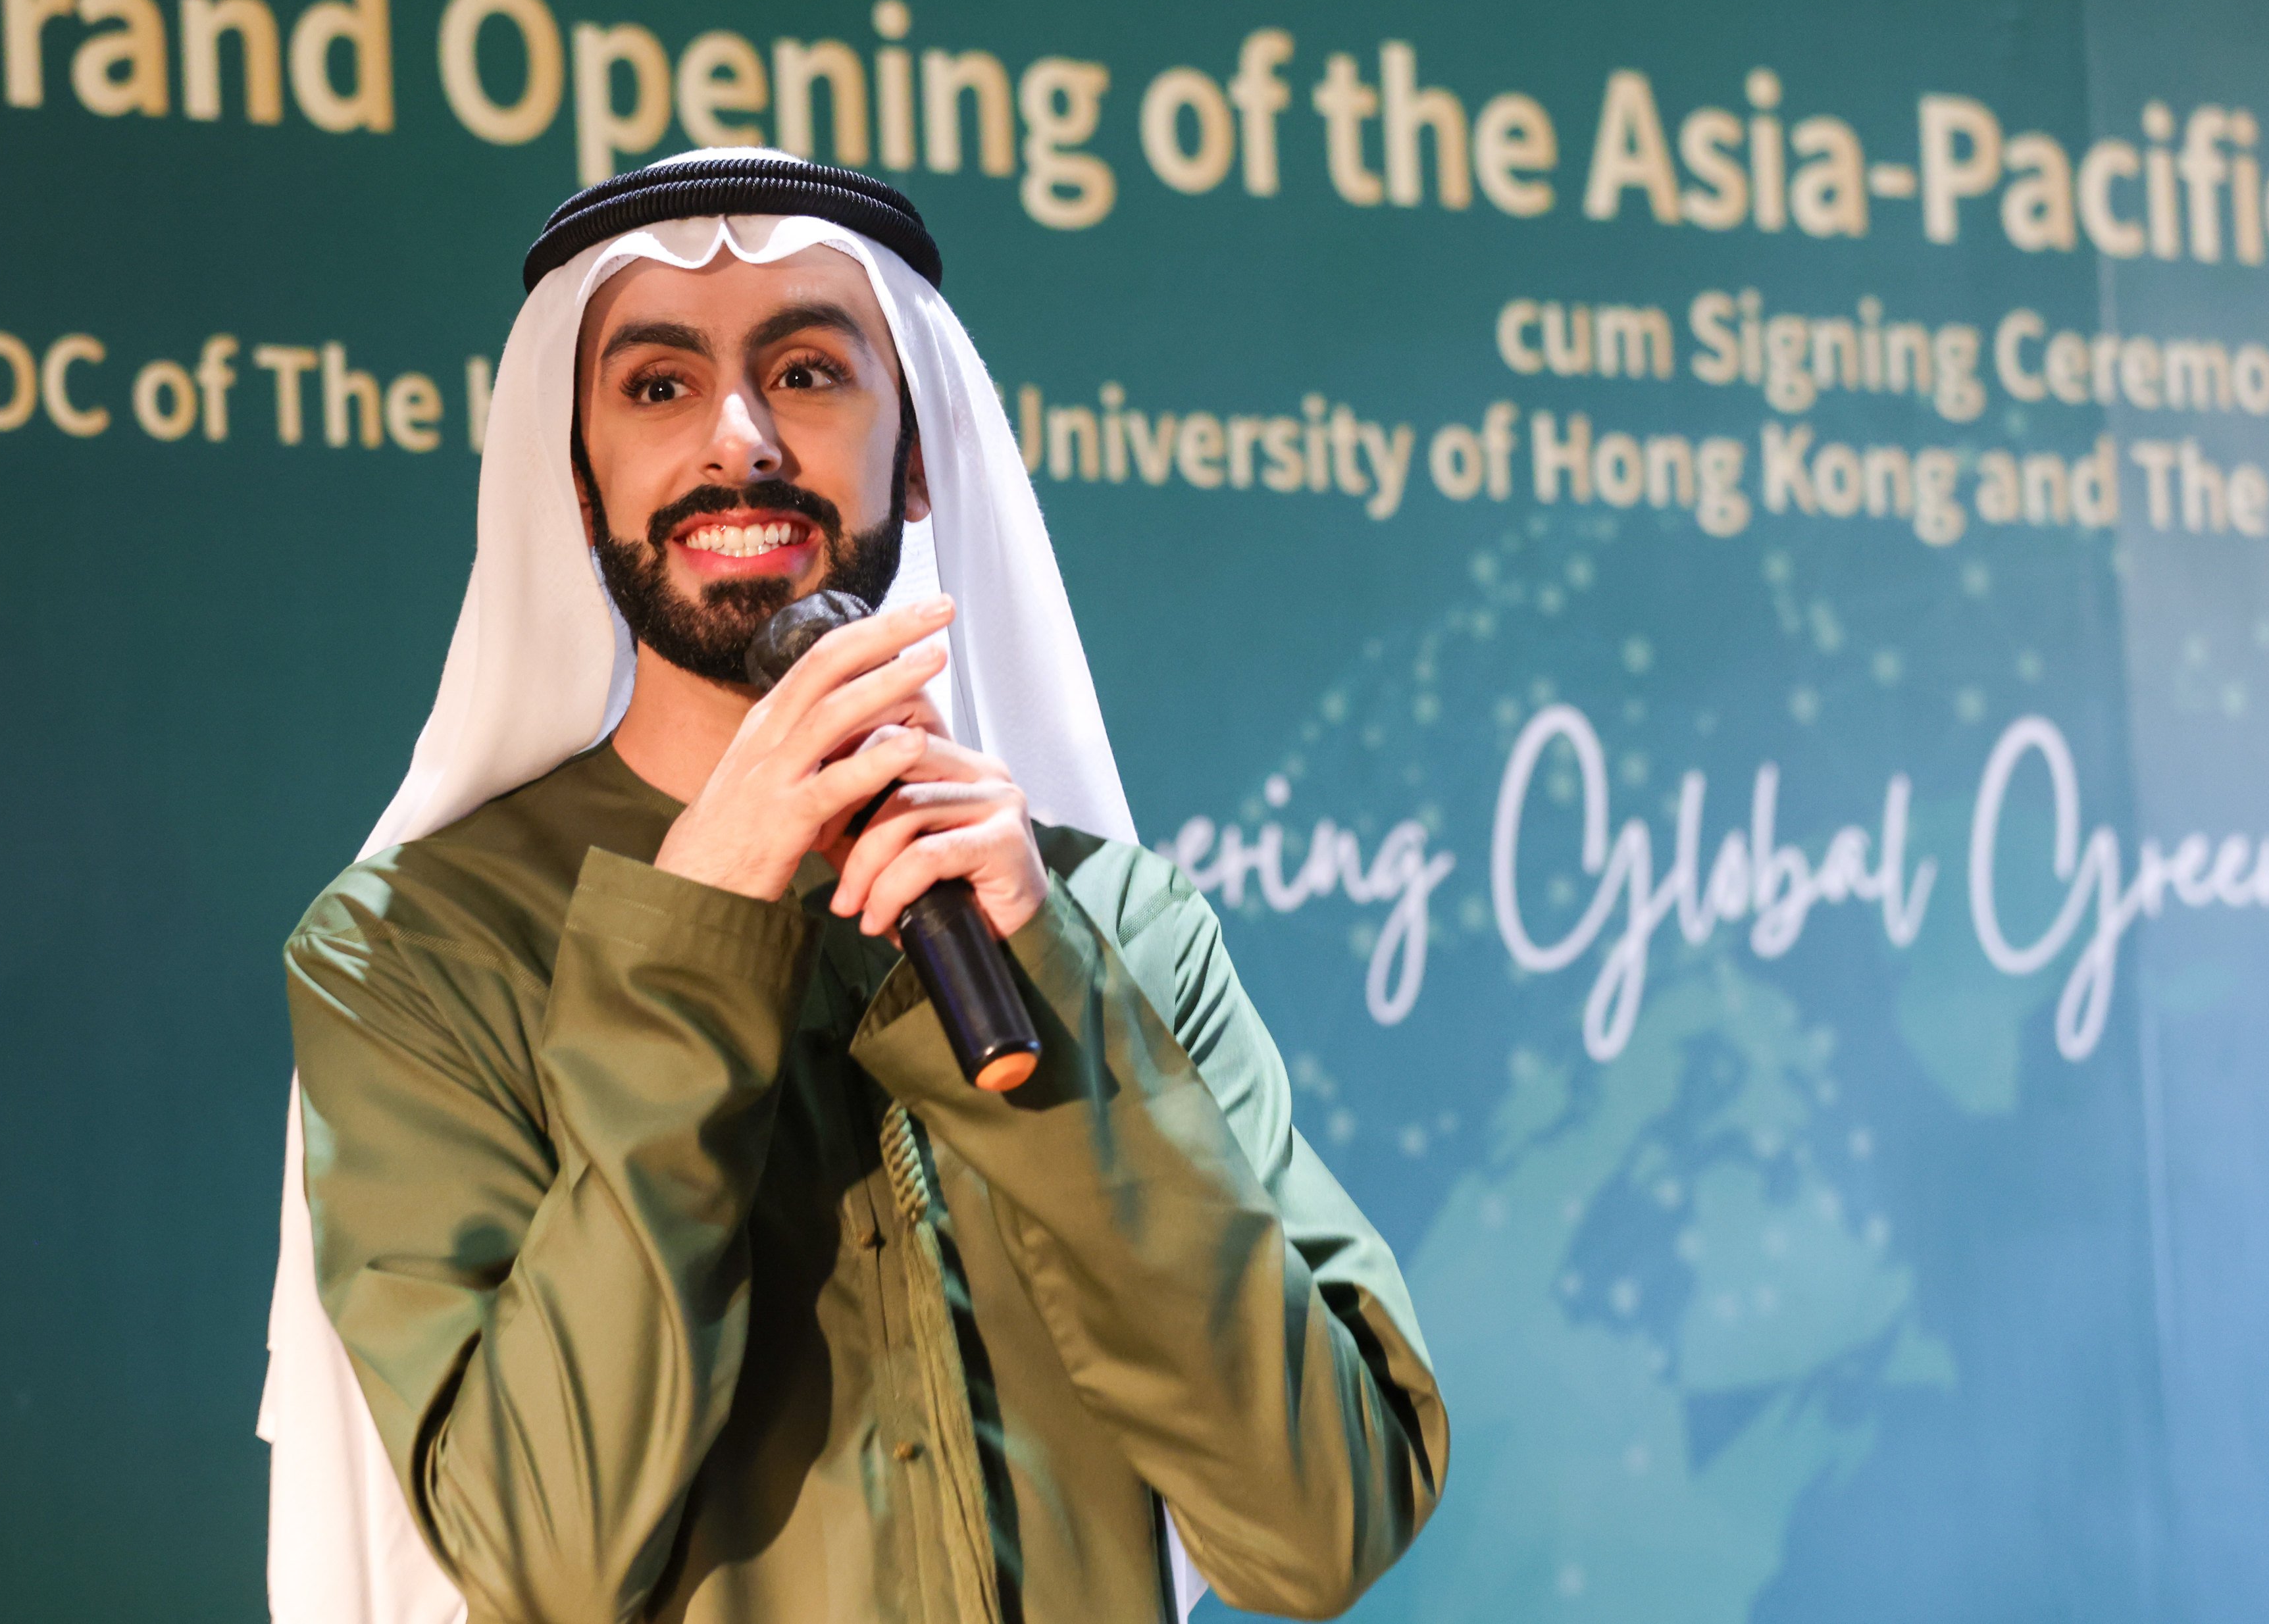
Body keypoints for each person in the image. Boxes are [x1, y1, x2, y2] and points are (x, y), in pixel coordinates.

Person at [262, 150, 1446, 1624]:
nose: (738, 441)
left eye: (809, 372)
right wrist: (691, 948)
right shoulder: (412, 954)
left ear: (916, 452)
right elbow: (546, 1553)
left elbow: (1318, 1529)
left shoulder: (1112, 927)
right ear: (576, 484)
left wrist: (1051, 985)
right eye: (655, 388)